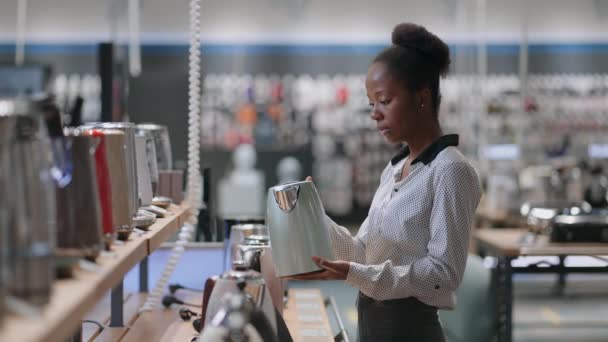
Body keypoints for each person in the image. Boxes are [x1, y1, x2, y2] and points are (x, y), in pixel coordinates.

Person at [288, 23, 482, 341]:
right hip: (373, 324)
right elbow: (365, 252)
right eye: (371, 104)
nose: (375, 114)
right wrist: (314, 217)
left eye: (385, 101)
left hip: (409, 329)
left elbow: (443, 275)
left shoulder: (449, 171)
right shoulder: (394, 169)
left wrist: (357, 274)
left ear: (422, 98)